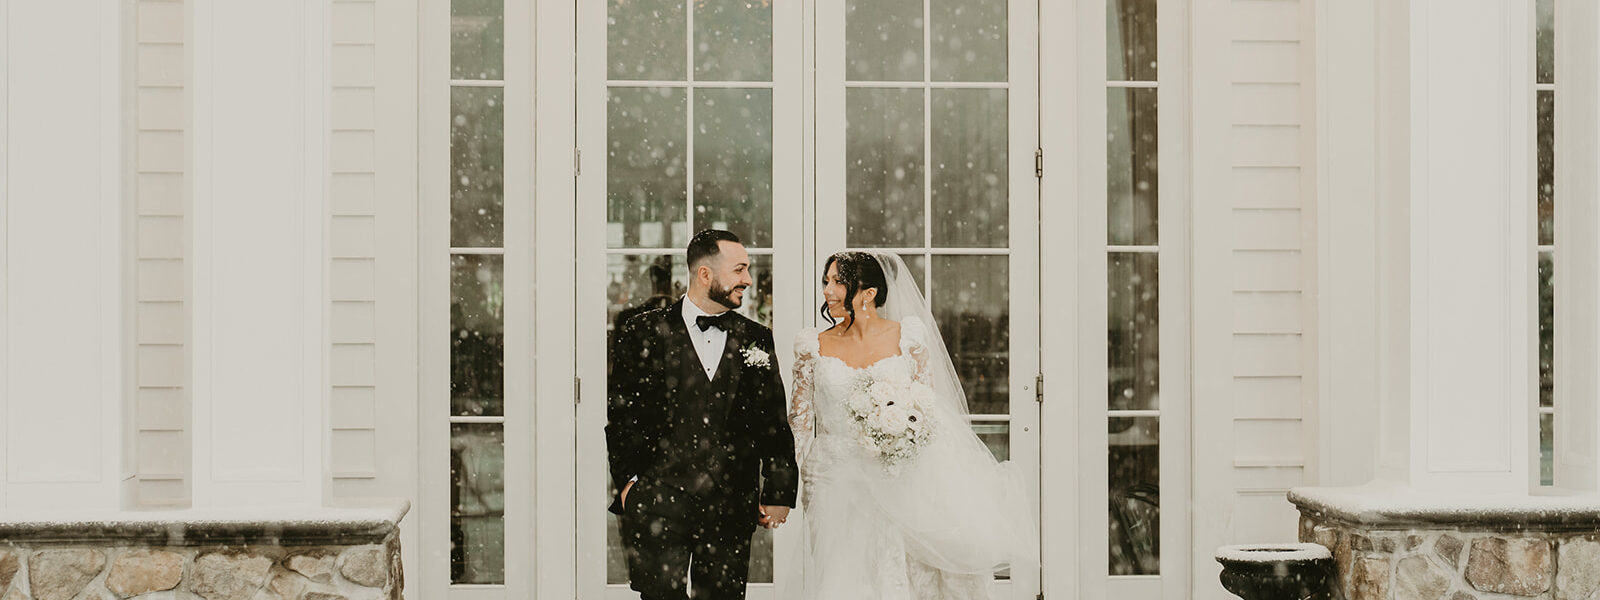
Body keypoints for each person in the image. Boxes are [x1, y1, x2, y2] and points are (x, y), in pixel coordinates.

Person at [784, 252, 1036, 599]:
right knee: (842, 577)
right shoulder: (813, 345)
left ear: (868, 293)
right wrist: (782, 485)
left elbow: (927, 408)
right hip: (832, 478)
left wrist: (903, 438)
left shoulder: (908, 338)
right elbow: (799, 423)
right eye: (825, 281)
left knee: (898, 574)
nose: (827, 290)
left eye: (837, 281)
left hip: (896, 477)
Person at [607, 229, 799, 600]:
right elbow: (622, 416)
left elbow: (772, 421)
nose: (747, 278)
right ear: (705, 275)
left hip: (729, 501)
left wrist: (779, 490)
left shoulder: (756, 337)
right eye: (739, 269)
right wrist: (631, 484)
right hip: (659, 500)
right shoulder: (642, 330)